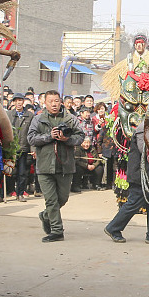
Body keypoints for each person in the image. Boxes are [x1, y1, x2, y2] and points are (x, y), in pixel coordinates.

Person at [27, 90, 84, 242]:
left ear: (61, 102)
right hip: (44, 166)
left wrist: (67, 139)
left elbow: (81, 137)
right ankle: (57, 231)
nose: (54, 104)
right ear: (44, 103)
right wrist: (49, 137)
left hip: (65, 165)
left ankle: (45, 215)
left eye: (57, 101)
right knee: (51, 200)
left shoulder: (70, 119)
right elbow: (31, 139)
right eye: (51, 101)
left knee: (63, 199)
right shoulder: (38, 119)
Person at [104, 126, 149, 244]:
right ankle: (113, 228)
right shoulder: (143, 129)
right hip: (141, 176)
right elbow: (144, 148)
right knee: (134, 203)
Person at [6, 95, 33, 201]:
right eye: (16, 101)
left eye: (20, 100)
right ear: (13, 102)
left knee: (22, 173)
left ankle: (20, 193)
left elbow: (32, 133)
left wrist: (33, 149)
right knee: (8, 172)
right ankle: (7, 192)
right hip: (10, 149)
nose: (18, 103)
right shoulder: (8, 115)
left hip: (23, 148)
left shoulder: (29, 115)